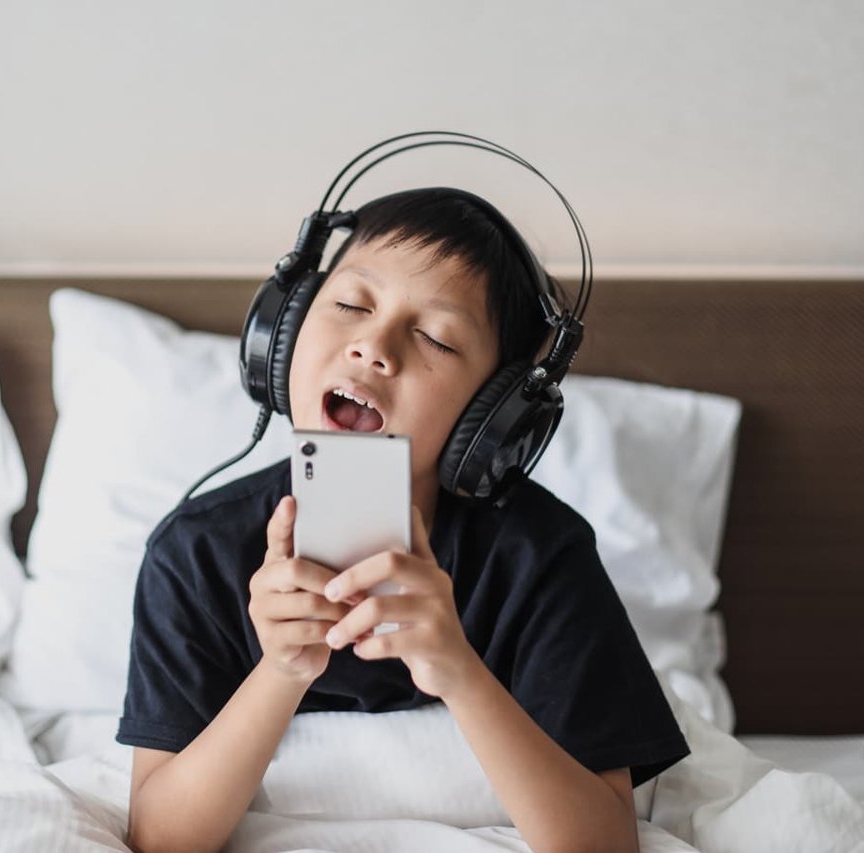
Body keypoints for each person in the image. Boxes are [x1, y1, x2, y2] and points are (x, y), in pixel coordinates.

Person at [116, 187, 690, 852]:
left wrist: (457, 669)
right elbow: (159, 839)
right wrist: (281, 670)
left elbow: (603, 844)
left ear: (495, 415)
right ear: (286, 328)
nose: (374, 345)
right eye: (352, 304)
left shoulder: (543, 555)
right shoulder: (194, 551)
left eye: (435, 338)